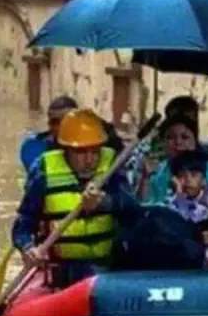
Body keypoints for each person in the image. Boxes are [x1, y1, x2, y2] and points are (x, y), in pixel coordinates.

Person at [12, 109, 138, 289]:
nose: (89, 160)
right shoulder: (43, 170)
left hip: (109, 268)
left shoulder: (111, 163)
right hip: (65, 271)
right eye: (81, 153)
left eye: (95, 152)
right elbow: (23, 223)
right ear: (66, 150)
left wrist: (105, 202)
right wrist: (27, 248)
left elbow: (133, 209)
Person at [141, 115, 208, 210]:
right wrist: (145, 178)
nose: (178, 142)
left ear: (195, 142)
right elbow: (144, 208)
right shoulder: (157, 170)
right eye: (170, 138)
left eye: (185, 137)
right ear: (163, 142)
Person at [18, 95, 125, 173]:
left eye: (65, 121)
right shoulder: (37, 150)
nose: (59, 127)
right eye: (54, 122)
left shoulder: (102, 142)